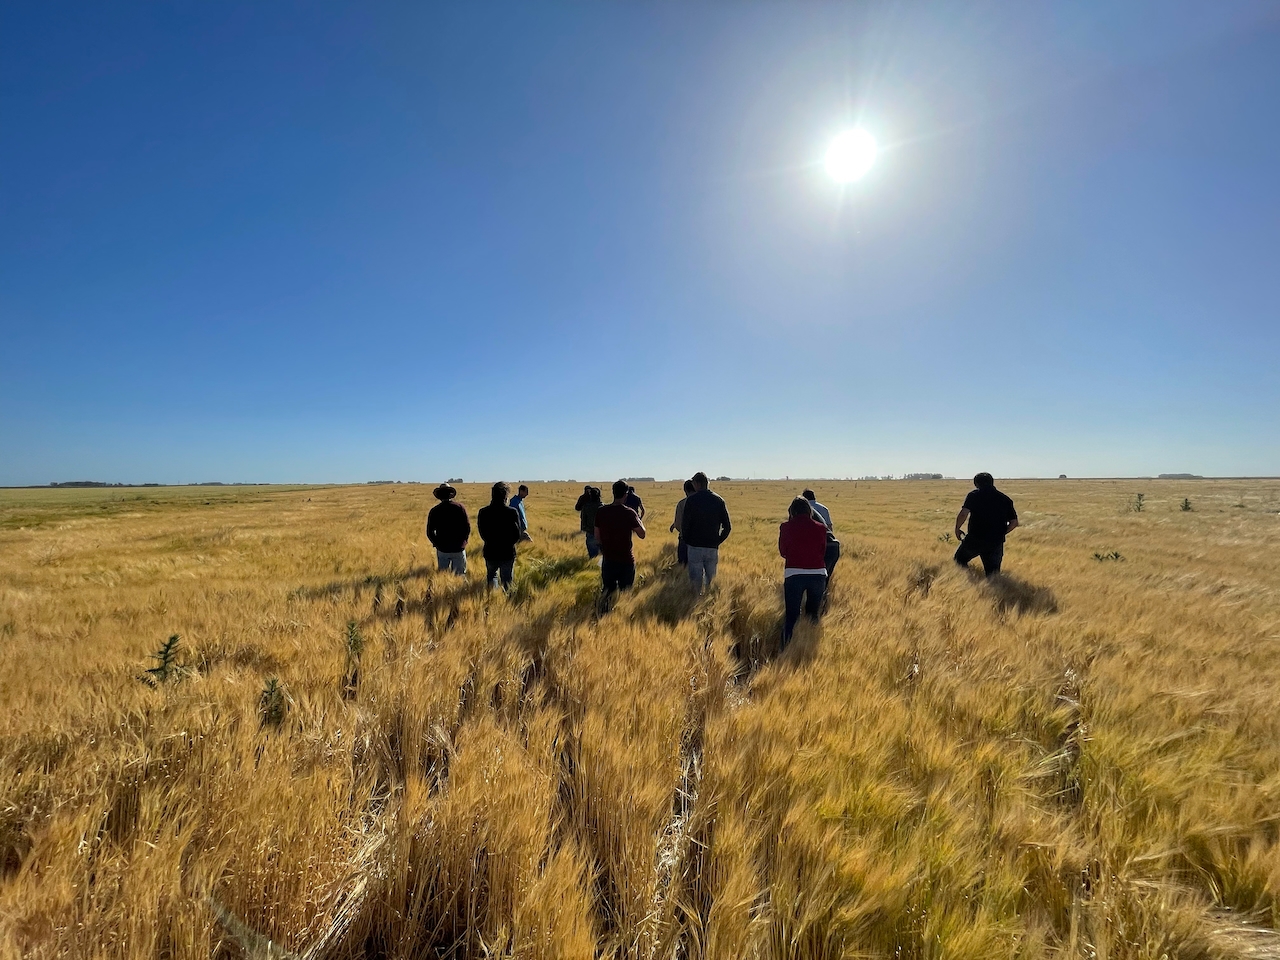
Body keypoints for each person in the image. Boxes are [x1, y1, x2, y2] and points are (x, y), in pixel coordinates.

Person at [778, 496, 829, 648]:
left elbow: (783, 551)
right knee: (813, 615)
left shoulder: (786, 527)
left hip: (794, 574)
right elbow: (823, 550)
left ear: (792, 511)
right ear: (809, 511)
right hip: (818, 574)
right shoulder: (821, 528)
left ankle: (786, 649)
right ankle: (809, 647)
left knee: (792, 616)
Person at [954, 472, 1019, 577]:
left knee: (959, 560)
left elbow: (963, 514)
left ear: (976, 484)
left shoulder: (974, 495)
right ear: (992, 483)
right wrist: (1001, 533)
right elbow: (1014, 523)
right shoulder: (1005, 499)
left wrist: (957, 529)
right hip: (995, 542)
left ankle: (969, 582)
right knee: (993, 574)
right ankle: (994, 592)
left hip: (975, 538)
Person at [595, 479, 646, 605]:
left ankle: (603, 616)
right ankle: (623, 616)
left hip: (608, 559)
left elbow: (597, 537)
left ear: (613, 493)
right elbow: (642, 534)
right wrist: (638, 520)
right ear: (626, 494)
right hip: (626, 561)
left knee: (607, 592)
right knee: (626, 594)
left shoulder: (601, 512)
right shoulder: (629, 513)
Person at [681, 471, 731, 591]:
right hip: (712, 547)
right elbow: (727, 527)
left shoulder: (691, 500)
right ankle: (711, 604)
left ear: (697, 484)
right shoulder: (719, 500)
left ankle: (696, 604)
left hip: (695, 546)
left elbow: (685, 525)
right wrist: (717, 541)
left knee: (695, 582)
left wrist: (688, 541)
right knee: (712, 580)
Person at [477, 482, 522, 591]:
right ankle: (507, 601)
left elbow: (482, 533)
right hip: (507, 552)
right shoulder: (512, 512)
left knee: (491, 576)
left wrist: (491, 541)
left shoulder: (483, 512)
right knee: (507, 580)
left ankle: (492, 599)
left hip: (490, 551)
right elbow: (517, 534)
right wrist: (508, 543)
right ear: (506, 496)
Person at [426, 483, 471, 574]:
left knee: (442, 575)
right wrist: (463, 541)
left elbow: (430, 531)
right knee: (460, 575)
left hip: (443, 548)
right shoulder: (459, 507)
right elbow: (467, 527)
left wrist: (437, 543)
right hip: (458, 547)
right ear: (451, 494)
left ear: (439, 496)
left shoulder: (435, 510)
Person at [803, 488, 841, 578]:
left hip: (810, 543)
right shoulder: (824, 508)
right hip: (826, 542)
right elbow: (829, 527)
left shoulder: (803, 509)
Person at [670, 479, 696, 566]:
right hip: (702, 542)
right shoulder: (706, 502)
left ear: (685, 490)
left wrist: (679, 529)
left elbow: (678, 524)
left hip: (684, 539)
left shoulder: (681, 503)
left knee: (683, 566)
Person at [574, 484, 604, 559]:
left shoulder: (586, 506)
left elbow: (583, 519)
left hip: (590, 533)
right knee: (603, 557)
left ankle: (593, 567)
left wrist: (585, 529)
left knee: (593, 556)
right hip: (603, 534)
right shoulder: (603, 507)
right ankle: (599, 569)